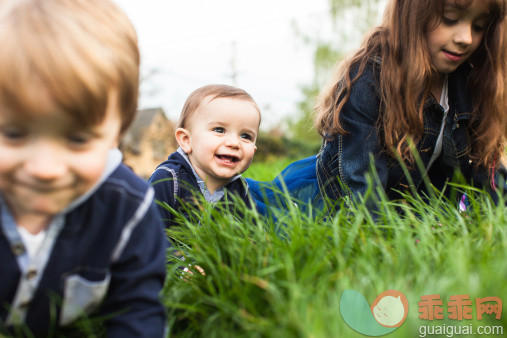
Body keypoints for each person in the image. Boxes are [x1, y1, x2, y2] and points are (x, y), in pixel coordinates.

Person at [0, 0, 167, 336]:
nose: (45, 169)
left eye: (77, 140)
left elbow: (138, 311)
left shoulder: (129, 207)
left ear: (117, 131)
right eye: (15, 134)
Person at [248, 0, 507, 214]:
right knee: (251, 210)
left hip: (412, 210)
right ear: (414, 14)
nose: (466, 38)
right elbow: (360, 182)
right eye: (451, 18)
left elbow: (485, 170)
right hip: (343, 199)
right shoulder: (368, 78)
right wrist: (383, 235)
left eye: (479, 26)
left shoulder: (470, 84)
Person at [149, 84, 260, 227]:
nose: (234, 143)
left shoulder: (240, 190)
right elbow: (149, 234)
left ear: (254, 149)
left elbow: (252, 238)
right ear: (186, 140)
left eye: (245, 136)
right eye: (219, 130)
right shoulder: (169, 179)